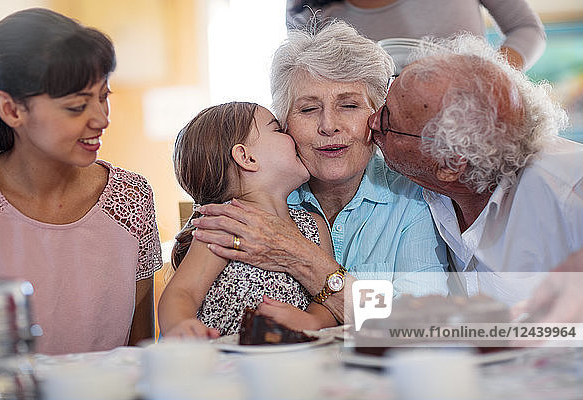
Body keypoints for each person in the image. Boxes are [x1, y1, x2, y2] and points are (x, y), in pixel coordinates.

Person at [190, 20, 448, 325]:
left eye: (349, 105)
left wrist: (300, 256)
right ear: (284, 123)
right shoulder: (248, 202)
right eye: (308, 109)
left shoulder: (413, 197)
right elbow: (185, 322)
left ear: (377, 117)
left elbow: (420, 321)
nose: (328, 125)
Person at [0, 8, 161, 355]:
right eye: (78, 106)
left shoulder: (131, 198)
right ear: (12, 109)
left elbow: (138, 350)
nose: (102, 119)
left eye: (103, 96)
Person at [367, 34, 582, 306]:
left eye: (388, 119)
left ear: (449, 165)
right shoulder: (422, 185)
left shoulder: (569, 194)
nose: (372, 121)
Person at [158, 102, 337, 338]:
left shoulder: (314, 226)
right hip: (228, 367)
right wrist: (181, 325)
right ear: (246, 157)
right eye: (278, 130)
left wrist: (312, 320)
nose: (292, 135)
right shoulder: (225, 224)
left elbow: (327, 298)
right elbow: (182, 292)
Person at [286, 0, 546, 71]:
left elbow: (526, 29)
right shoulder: (309, 10)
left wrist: (486, 78)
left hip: (472, 128)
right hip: (378, 154)